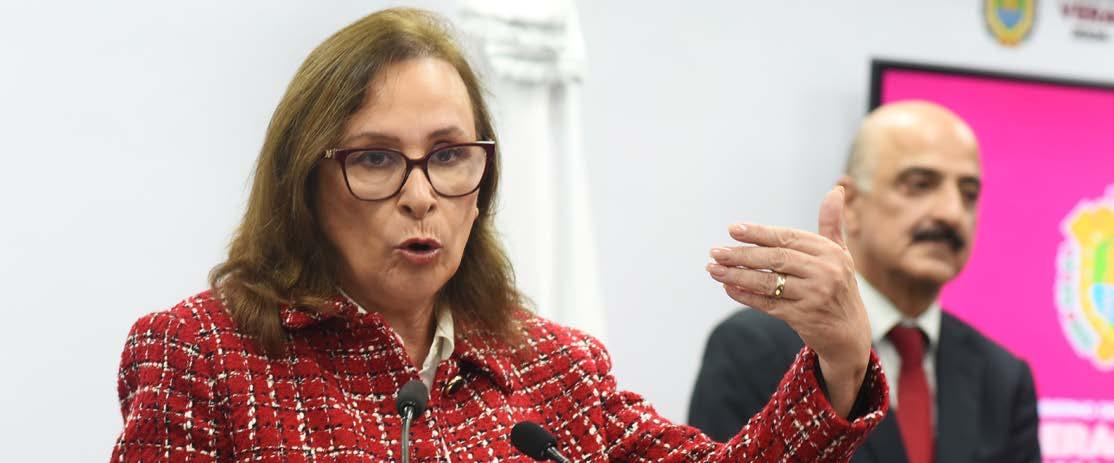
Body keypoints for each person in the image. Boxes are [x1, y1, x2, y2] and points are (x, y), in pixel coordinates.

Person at [111, 8, 889, 462]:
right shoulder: (204, 353)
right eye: (376, 159)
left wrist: (840, 358)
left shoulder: (554, 368)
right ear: (305, 182)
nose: (421, 196)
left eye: (450, 155)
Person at [688, 101, 1041, 463]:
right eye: (920, 185)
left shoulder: (1004, 379)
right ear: (851, 204)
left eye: (968, 194)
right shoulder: (753, 349)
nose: (952, 213)